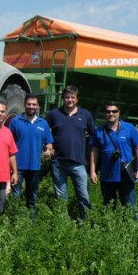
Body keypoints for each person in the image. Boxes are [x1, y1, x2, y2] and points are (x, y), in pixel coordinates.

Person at [45, 85, 94, 220]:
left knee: (84, 196)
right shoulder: (54, 114)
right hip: (58, 162)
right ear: (63, 99)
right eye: (67, 97)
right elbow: (43, 131)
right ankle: (63, 225)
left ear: (77, 99)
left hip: (78, 162)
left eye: (72, 97)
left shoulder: (85, 115)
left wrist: (89, 157)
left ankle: (85, 224)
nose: (69, 100)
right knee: (61, 197)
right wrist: (48, 146)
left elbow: (94, 138)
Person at [89, 102, 138, 215]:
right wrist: (92, 171)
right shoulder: (99, 131)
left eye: (114, 111)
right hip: (107, 175)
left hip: (126, 175)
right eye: (108, 111)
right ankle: (110, 230)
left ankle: (131, 230)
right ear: (104, 114)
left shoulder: (129, 128)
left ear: (119, 113)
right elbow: (94, 152)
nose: (111, 114)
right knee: (109, 208)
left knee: (130, 208)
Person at [9, 93, 54, 214]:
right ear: (24, 105)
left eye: (34, 104)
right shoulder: (15, 121)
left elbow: (48, 143)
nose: (31, 106)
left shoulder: (43, 123)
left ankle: (31, 222)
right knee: (16, 196)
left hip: (34, 166)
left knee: (32, 197)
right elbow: (8, 143)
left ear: (38, 106)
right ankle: (15, 222)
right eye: (28, 104)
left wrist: (48, 150)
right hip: (17, 166)